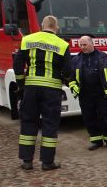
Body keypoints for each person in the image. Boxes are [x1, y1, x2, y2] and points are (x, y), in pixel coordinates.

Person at [13, 15, 72, 171]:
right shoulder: (63, 45)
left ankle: (27, 161)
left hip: (31, 89)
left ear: (42, 25)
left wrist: (21, 83)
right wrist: (64, 79)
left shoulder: (27, 39)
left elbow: (18, 64)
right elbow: (67, 71)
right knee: (50, 124)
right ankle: (47, 162)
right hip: (52, 90)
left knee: (28, 122)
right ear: (56, 27)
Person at [69, 36, 107, 150]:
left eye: (84, 45)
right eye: (80, 45)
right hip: (85, 94)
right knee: (89, 117)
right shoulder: (76, 60)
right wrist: (74, 89)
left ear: (92, 44)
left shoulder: (104, 57)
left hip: (102, 94)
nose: (82, 47)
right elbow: (71, 78)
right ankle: (96, 140)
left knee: (106, 116)